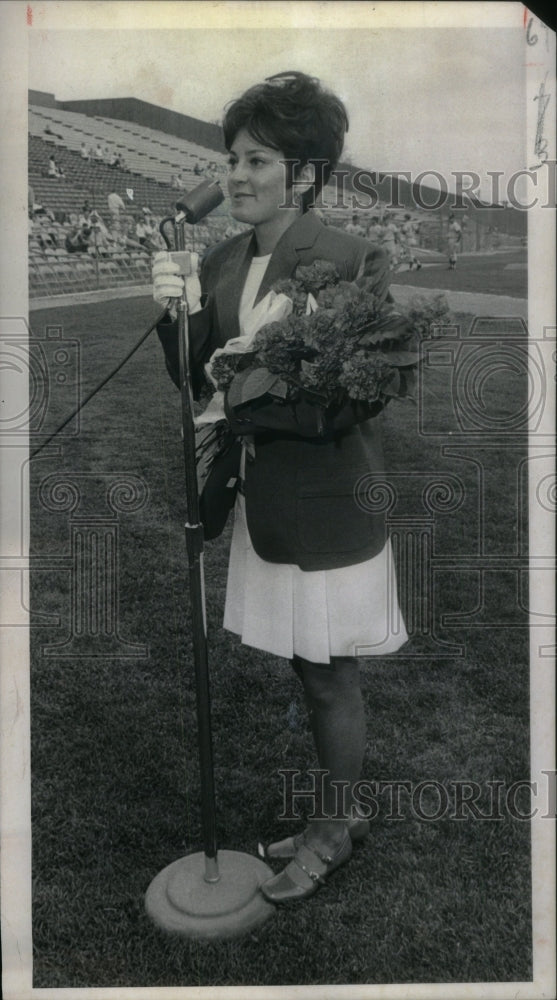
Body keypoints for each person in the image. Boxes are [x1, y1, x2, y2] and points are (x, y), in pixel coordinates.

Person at [153, 71, 410, 904]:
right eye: (229, 157)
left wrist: (241, 398)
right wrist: (175, 311)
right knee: (308, 667)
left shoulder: (346, 258)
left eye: (256, 159)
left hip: (330, 501)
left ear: (302, 172)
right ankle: (340, 813)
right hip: (264, 503)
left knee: (331, 672)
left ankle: (333, 831)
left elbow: (351, 395)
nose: (234, 175)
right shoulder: (227, 257)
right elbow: (192, 375)